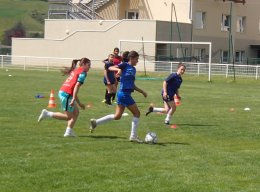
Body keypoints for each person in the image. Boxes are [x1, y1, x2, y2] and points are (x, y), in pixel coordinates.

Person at [89, 51, 147, 143]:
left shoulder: (133, 69)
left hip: (122, 94)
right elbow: (112, 67)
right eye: (136, 59)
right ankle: (133, 136)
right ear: (131, 58)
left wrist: (142, 91)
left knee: (117, 116)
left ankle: (96, 122)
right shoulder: (124, 65)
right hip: (124, 94)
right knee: (137, 113)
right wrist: (110, 67)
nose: (137, 61)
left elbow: (132, 85)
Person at [37, 58, 91, 137]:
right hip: (66, 94)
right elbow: (76, 86)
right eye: (88, 65)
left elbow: (73, 87)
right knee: (68, 117)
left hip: (65, 92)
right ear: (83, 64)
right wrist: (74, 100)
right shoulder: (83, 73)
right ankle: (47, 114)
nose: (90, 67)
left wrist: (78, 103)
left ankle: (68, 131)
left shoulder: (76, 70)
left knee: (76, 113)